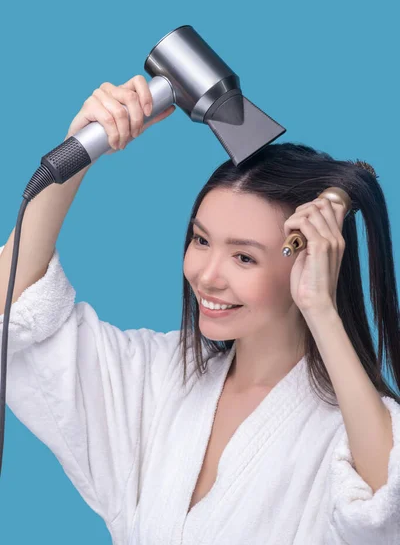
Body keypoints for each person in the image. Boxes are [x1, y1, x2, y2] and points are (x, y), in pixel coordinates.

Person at [0, 75, 400, 545]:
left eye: (244, 256)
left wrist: (320, 306)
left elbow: (385, 508)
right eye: (201, 240)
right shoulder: (160, 380)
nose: (207, 275)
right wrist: (79, 149)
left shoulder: (357, 430)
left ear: (309, 259)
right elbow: (19, 312)